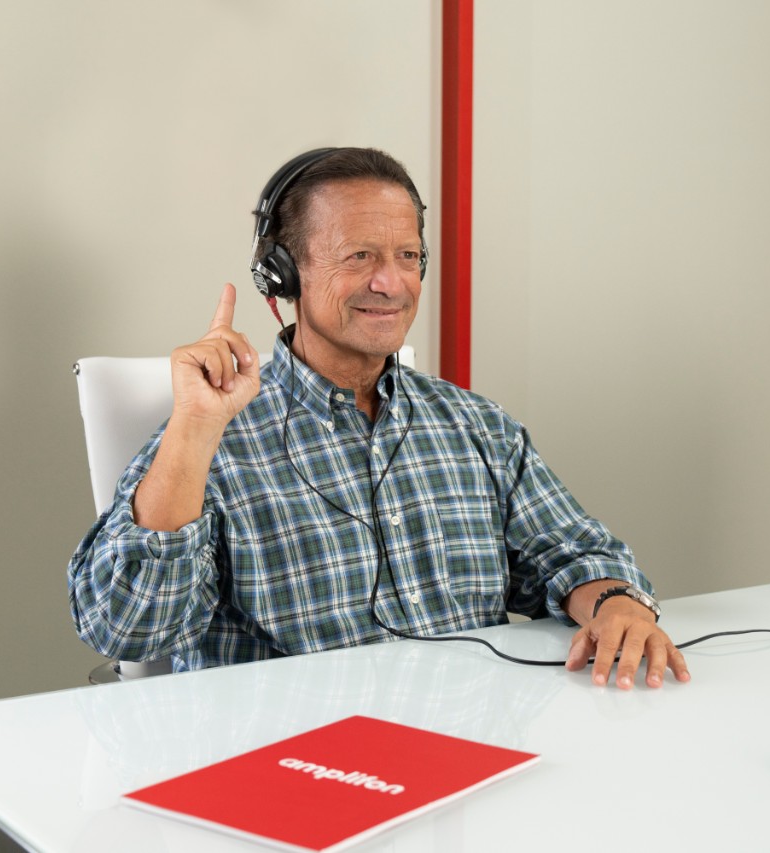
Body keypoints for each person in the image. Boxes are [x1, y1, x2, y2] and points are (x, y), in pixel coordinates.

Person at [68, 147, 689, 690]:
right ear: (283, 275)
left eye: (408, 255)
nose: (391, 283)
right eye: (359, 255)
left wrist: (614, 605)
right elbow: (126, 629)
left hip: (468, 757)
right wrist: (195, 431)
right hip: (294, 773)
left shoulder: (476, 427)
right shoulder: (208, 443)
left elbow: (573, 553)